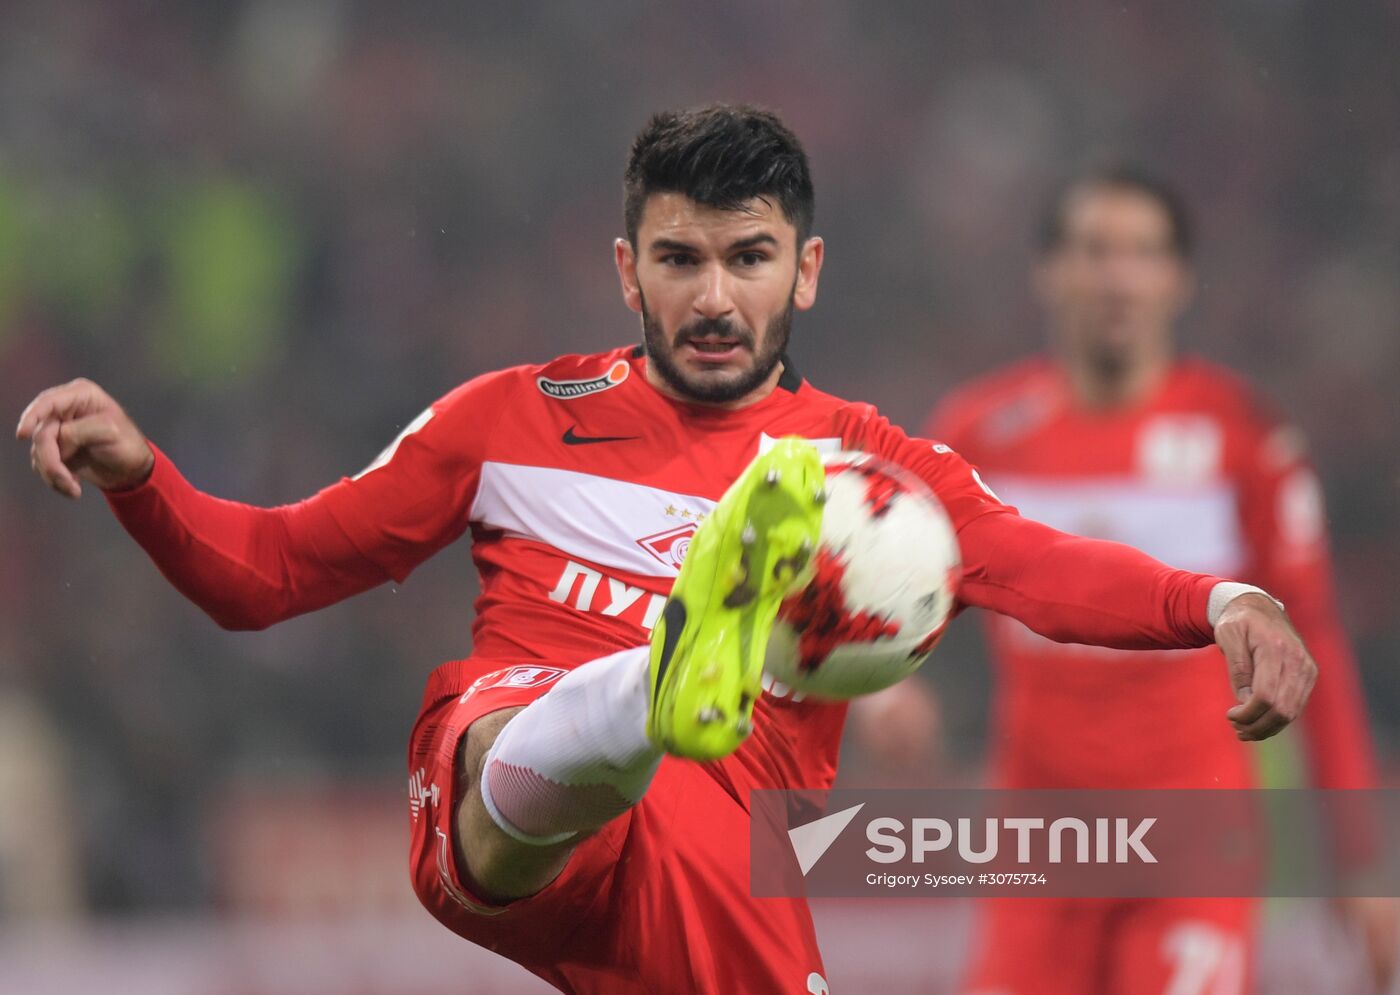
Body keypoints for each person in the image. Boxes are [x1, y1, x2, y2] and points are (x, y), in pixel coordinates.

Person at [18, 107, 1316, 995]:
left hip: (719, 865)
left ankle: (660, 688)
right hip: (518, 780)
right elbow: (267, 575)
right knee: (534, 737)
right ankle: (649, 683)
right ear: (625, 268)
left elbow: (1040, 565)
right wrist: (147, 478)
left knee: (697, 801)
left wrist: (1224, 596)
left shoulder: (865, 466)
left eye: (747, 258)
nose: (710, 295)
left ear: (805, 272)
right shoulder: (508, 419)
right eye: (678, 258)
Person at [923, 166, 1397, 995]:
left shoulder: (1242, 438)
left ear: (1180, 279)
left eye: (1142, 252)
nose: (1117, 276)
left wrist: (1359, 859)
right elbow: (900, 601)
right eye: (1095, 250)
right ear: (1048, 269)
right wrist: (895, 690)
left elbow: (1314, 641)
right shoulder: (977, 434)